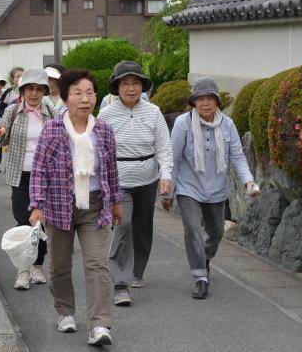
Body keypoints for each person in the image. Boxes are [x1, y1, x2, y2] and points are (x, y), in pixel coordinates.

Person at [29, 69, 123, 347]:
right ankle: (65, 311)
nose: (85, 99)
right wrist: (36, 205)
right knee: (59, 265)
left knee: (97, 264)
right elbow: (39, 170)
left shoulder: (104, 130)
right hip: (59, 205)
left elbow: (111, 169)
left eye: (90, 92)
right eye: (78, 93)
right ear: (66, 97)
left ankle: (99, 324)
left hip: (95, 206)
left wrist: (116, 201)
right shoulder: (53, 129)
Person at [165, 77, 260, 299]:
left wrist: (248, 182)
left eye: (209, 98)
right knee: (193, 230)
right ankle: (200, 277)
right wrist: (169, 192)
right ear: (194, 102)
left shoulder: (228, 124)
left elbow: (237, 156)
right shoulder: (182, 124)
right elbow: (173, 158)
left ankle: (205, 257)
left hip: (216, 189)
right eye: (200, 99)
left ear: (217, 101)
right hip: (188, 188)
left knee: (216, 232)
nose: (204, 103)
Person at [98, 61, 173, 307]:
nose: (131, 88)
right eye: (125, 83)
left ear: (142, 86)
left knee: (143, 227)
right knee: (123, 224)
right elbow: (98, 148)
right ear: (117, 87)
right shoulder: (107, 114)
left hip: (148, 179)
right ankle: (120, 283)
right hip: (119, 180)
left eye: (136, 83)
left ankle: (137, 270)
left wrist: (166, 175)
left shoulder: (153, 111)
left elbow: (163, 146)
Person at [0, 69, 58, 290]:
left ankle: (37, 265)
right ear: (22, 91)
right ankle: (23, 270)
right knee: (24, 221)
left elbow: (60, 142)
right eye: (30, 88)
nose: (34, 93)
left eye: (39, 89)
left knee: (41, 222)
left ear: (44, 92)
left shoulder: (51, 112)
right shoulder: (12, 111)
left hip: (45, 177)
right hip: (19, 174)